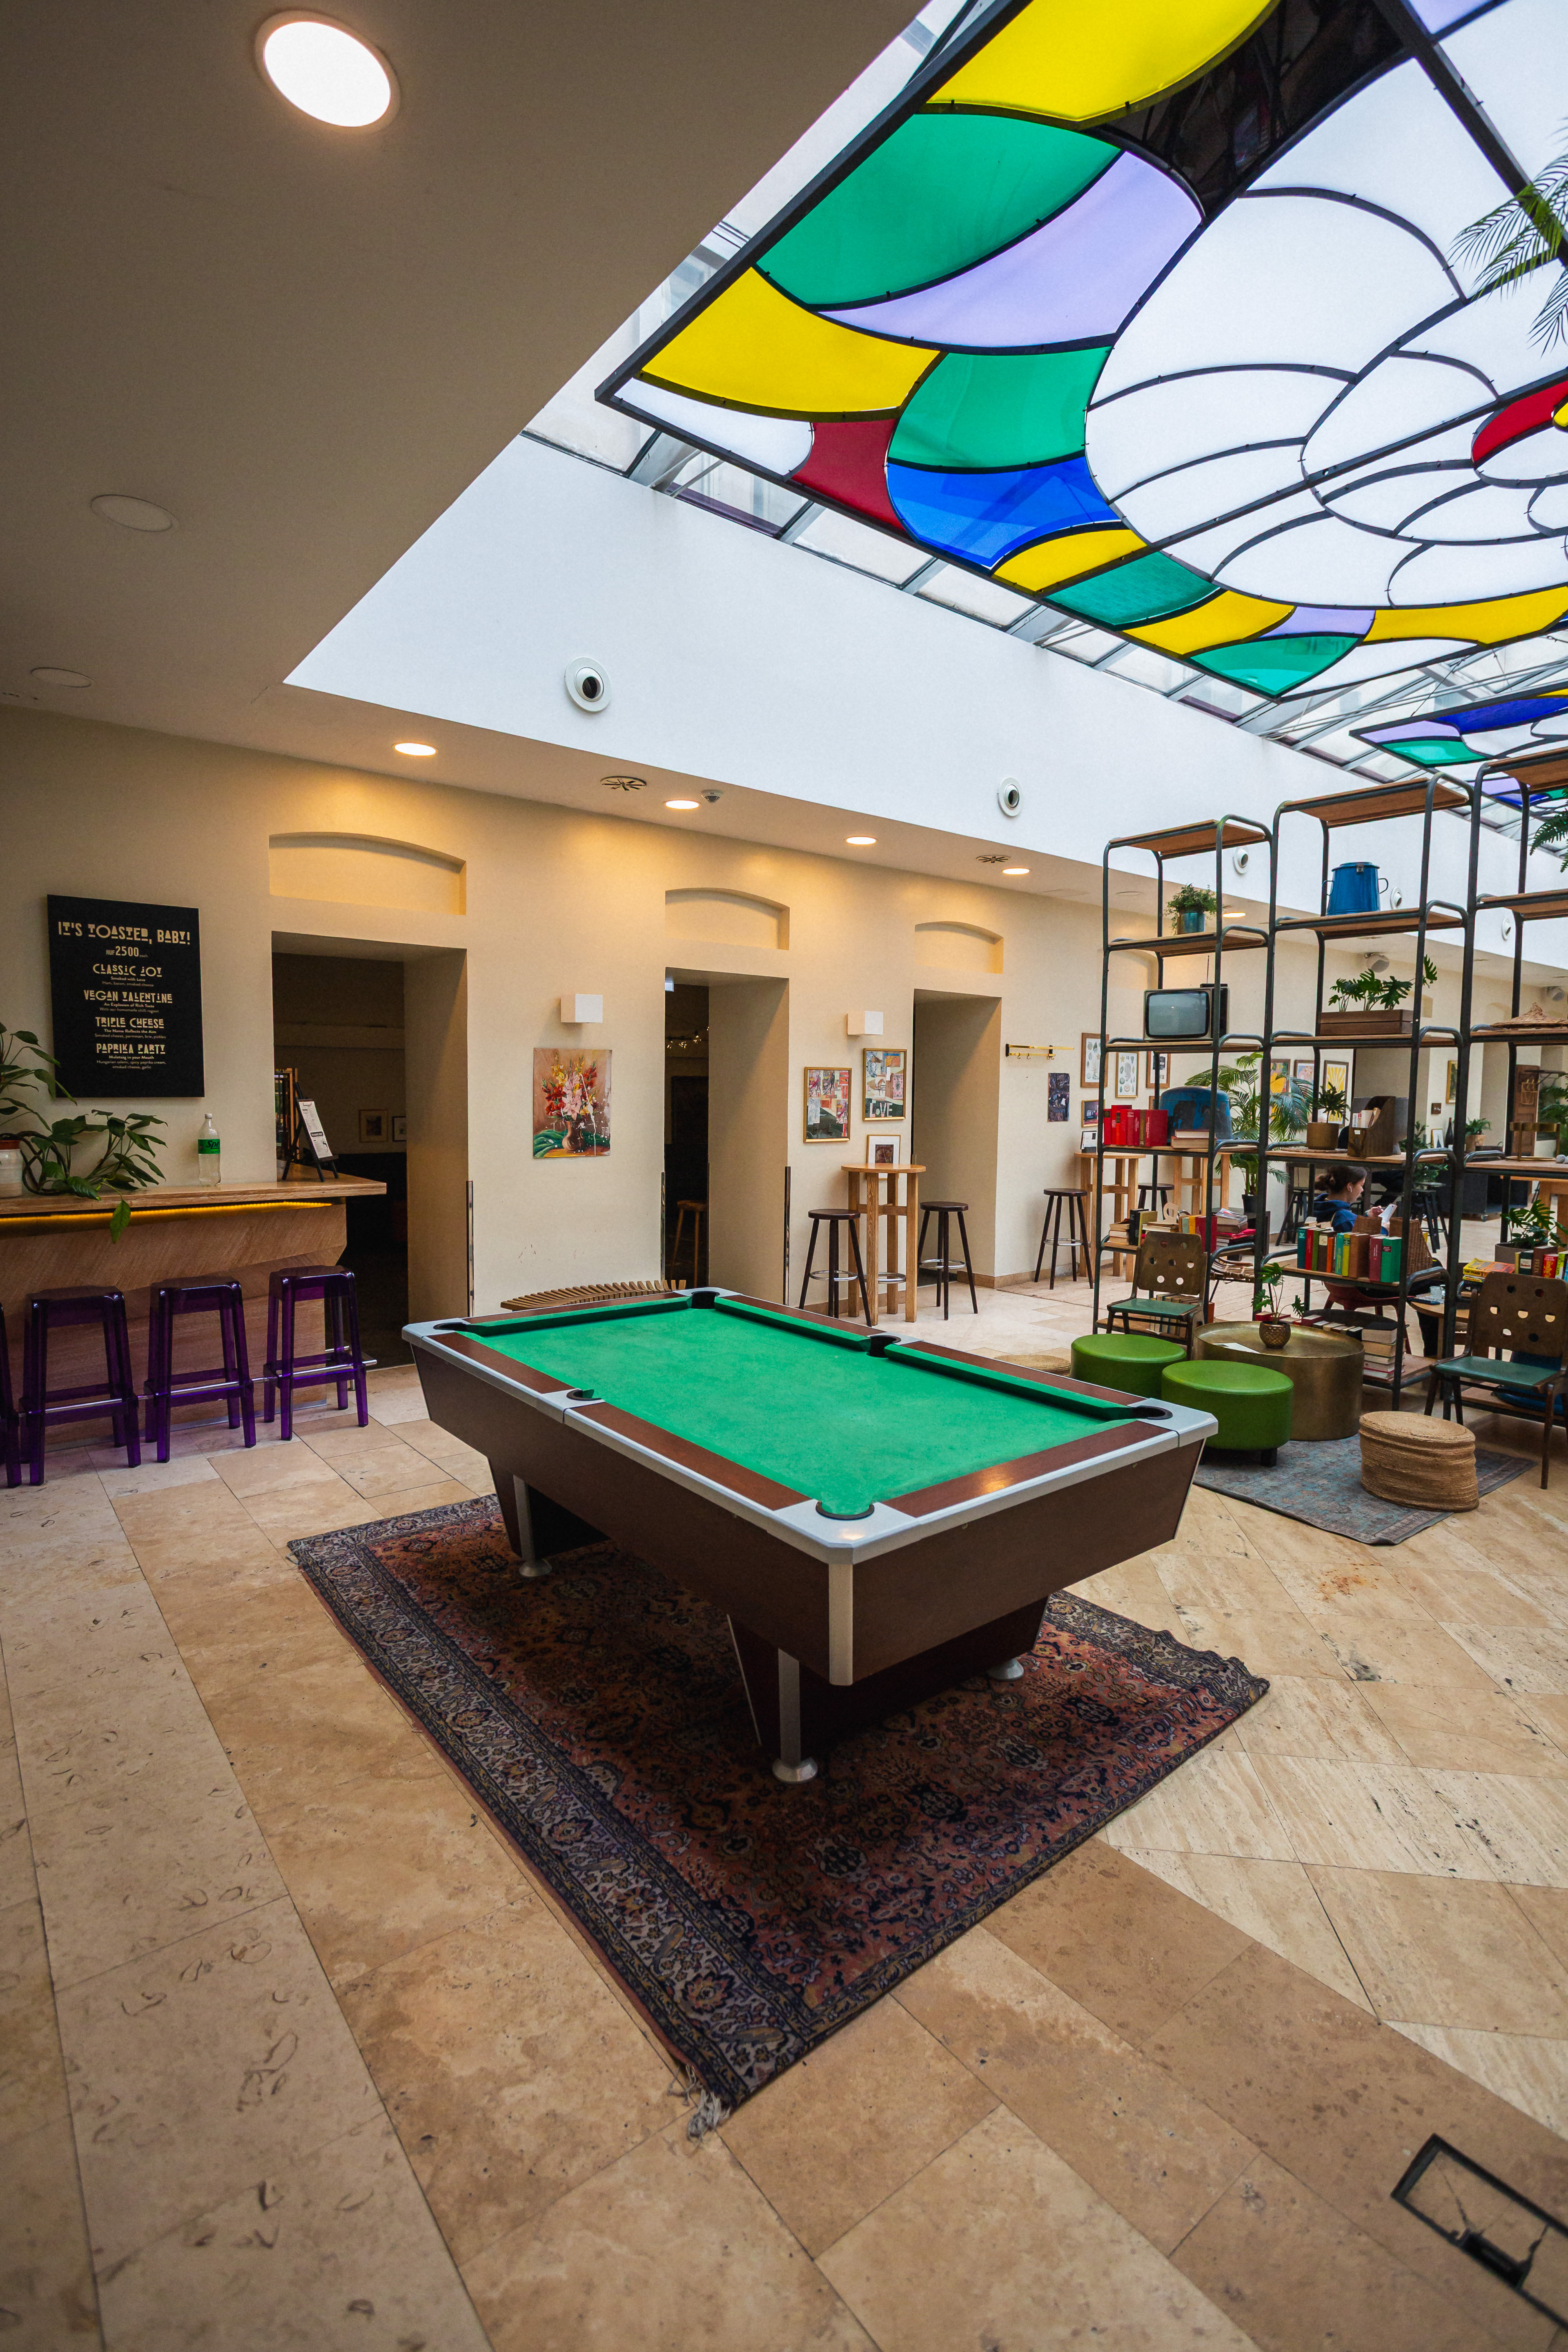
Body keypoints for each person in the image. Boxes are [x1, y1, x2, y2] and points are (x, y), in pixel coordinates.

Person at [1309, 1164, 1368, 1234]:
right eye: (1361, 1185)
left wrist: (1367, 1216)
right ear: (1350, 1186)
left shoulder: (1314, 1207)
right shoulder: (1346, 1219)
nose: (1362, 1190)